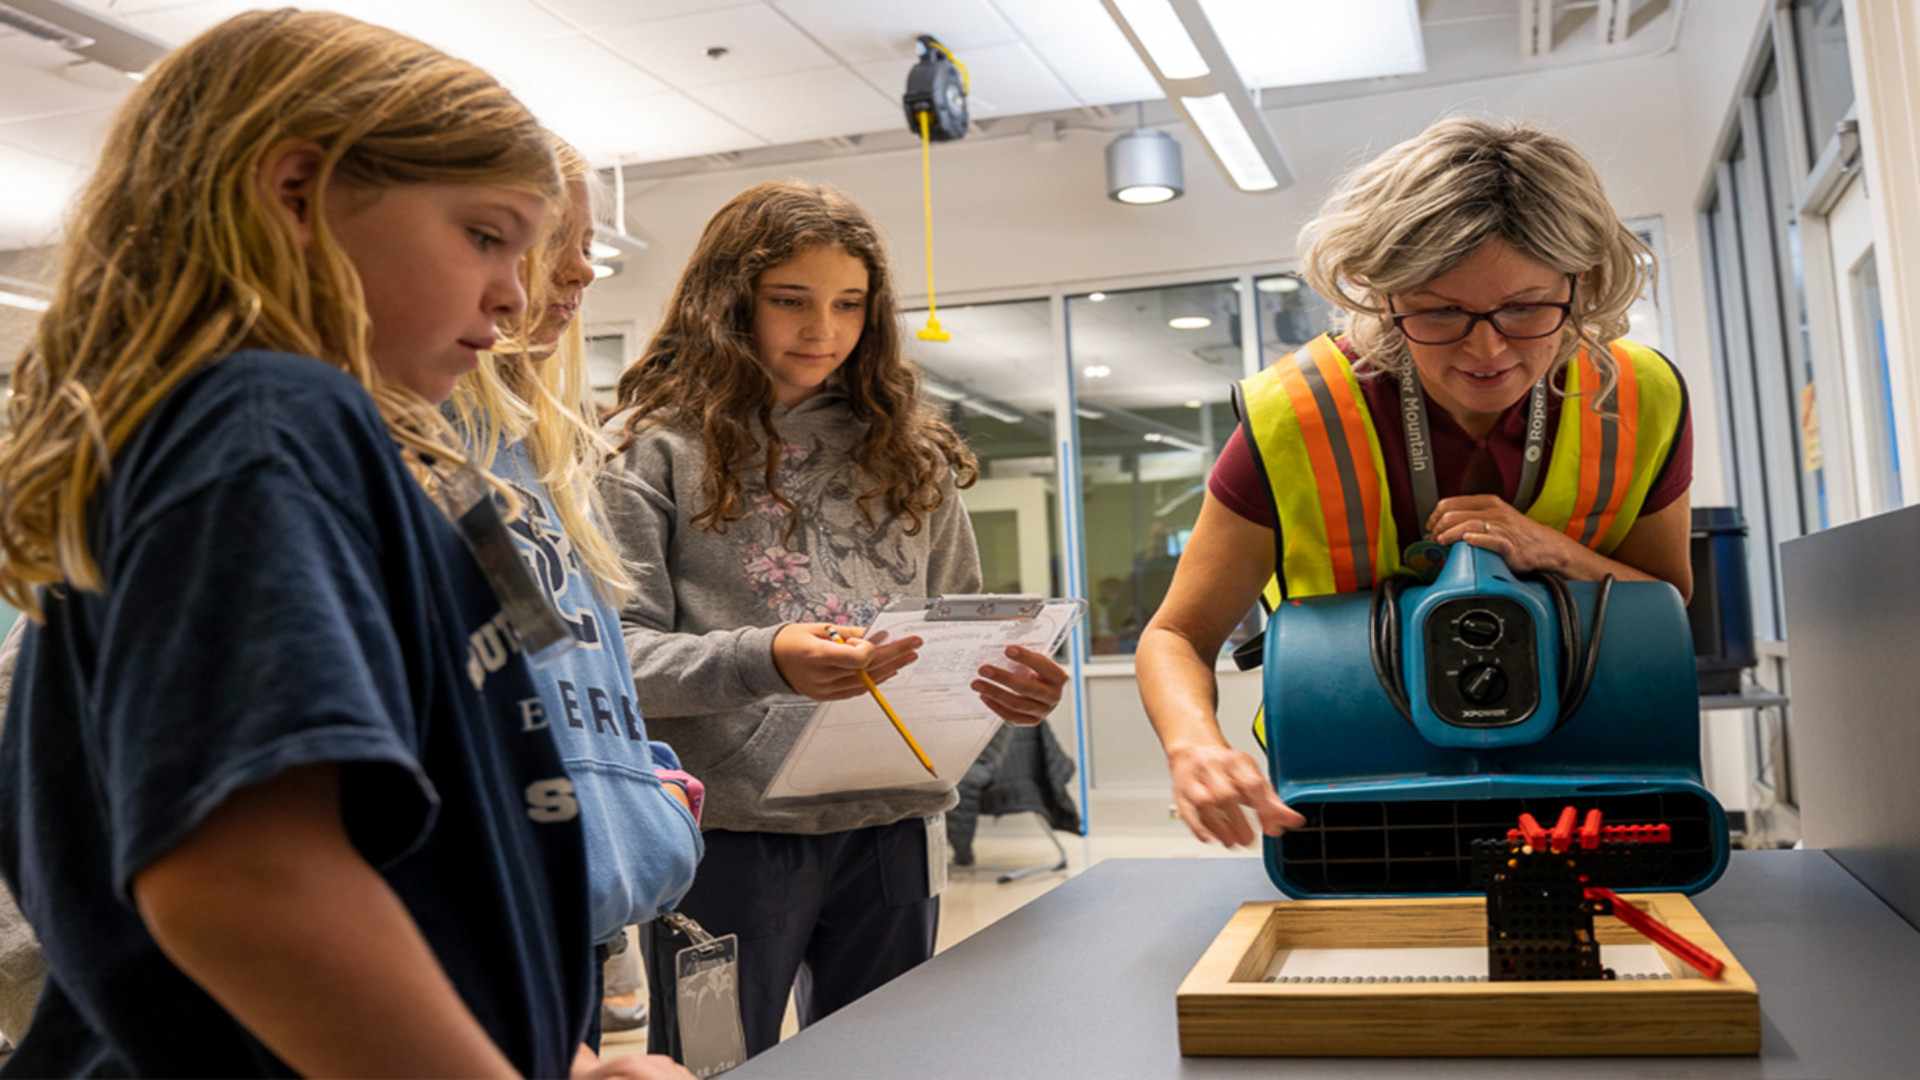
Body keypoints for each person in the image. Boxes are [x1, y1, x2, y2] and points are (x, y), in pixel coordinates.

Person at [0, 11, 603, 1076]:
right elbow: (244, 881)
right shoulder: (265, 421)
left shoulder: (287, 442)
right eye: (485, 234)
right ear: (295, 195)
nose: (514, 296)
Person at [599, 180, 1068, 1060]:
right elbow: (614, 663)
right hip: (728, 836)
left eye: (850, 304)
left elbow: (957, 625)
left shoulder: (912, 450)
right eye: (791, 302)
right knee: (712, 1063)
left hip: (894, 824)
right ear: (727, 304)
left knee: (890, 1061)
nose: (823, 330)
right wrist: (764, 657)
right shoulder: (646, 448)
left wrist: (1011, 685)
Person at [1136, 116, 1694, 851]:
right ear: (1384, 298)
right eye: (1440, 312)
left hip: (1590, 778)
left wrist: (1554, 552)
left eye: (1527, 307)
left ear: (1579, 283)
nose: (1488, 347)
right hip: (1351, 781)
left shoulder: (1638, 397)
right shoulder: (1292, 420)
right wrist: (1195, 748)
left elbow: (1667, 599)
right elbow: (1176, 634)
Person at [448, 140, 701, 1072]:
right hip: (455, 958)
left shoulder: (536, 452)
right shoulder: (362, 459)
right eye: (539, 236)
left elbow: (550, 671)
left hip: (564, 928)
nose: (581, 269)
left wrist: (638, 784)